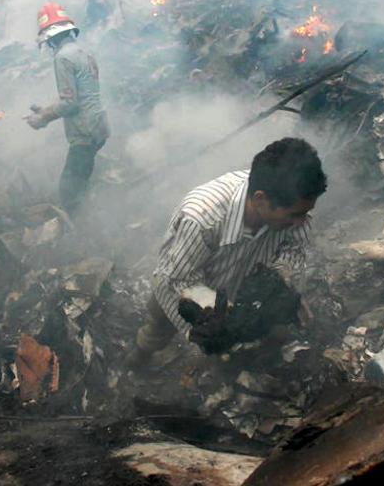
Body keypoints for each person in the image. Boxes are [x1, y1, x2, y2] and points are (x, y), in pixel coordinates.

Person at [126, 137, 327, 367]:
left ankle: (236, 366)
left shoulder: (293, 207)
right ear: (260, 199)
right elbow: (178, 280)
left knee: (258, 337)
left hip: (241, 288)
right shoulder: (202, 218)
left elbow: (294, 249)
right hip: (181, 287)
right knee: (158, 331)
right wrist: (207, 320)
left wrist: (280, 282)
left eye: (305, 213)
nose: (302, 222)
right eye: (295, 215)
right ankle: (138, 359)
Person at [25, 3, 110, 214]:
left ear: (50, 38)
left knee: (69, 191)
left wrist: (43, 117)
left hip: (84, 131)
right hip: (99, 125)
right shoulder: (83, 51)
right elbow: (79, 94)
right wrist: (45, 110)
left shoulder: (62, 57)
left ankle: (81, 227)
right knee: (82, 178)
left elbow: (70, 103)